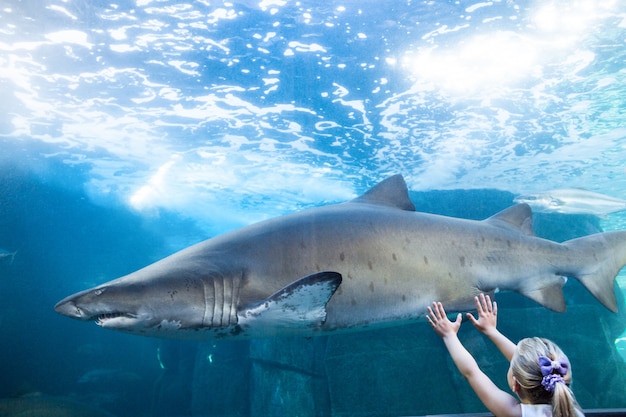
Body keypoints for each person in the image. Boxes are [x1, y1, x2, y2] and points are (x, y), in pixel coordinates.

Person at [426, 293, 584, 417]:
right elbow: (527, 364)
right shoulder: (572, 408)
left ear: (515, 384)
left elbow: (471, 372)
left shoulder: (514, 413)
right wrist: (491, 331)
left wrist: (449, 336)